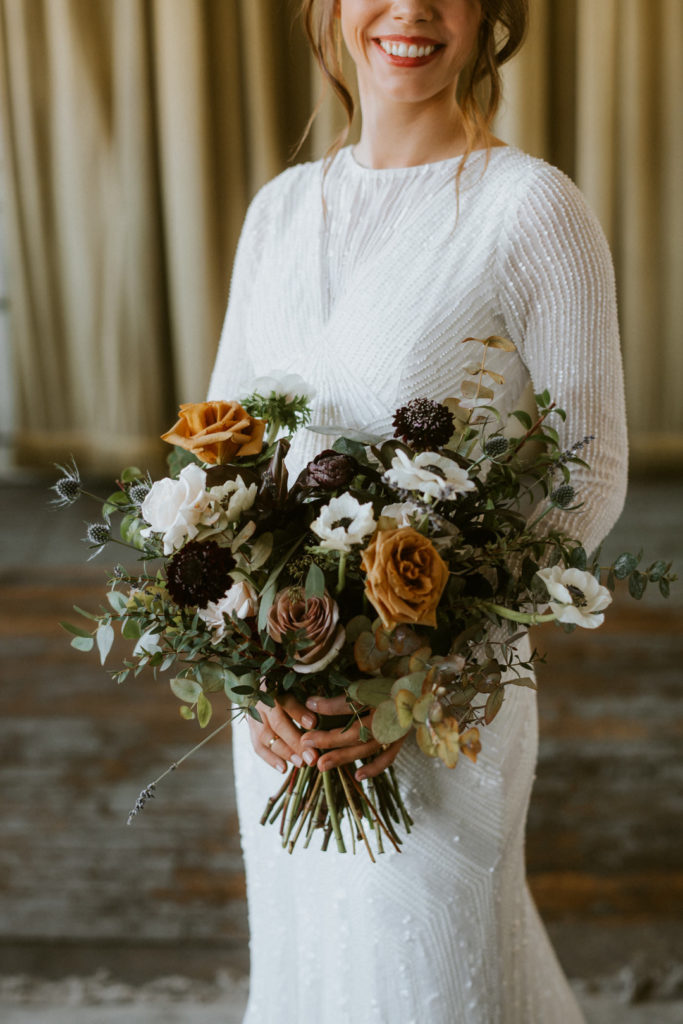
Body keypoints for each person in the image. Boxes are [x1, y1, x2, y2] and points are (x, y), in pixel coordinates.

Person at [207, 1, 628, 1021]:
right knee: (315, 969)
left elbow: (587, 475)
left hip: (445, 705)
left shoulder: (531, 207)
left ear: (489, 13)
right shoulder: (277, 210)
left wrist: (421, 673)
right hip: (284, 706)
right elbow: (228, 462)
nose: (409, 10)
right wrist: (242, 664)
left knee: (434, 976)